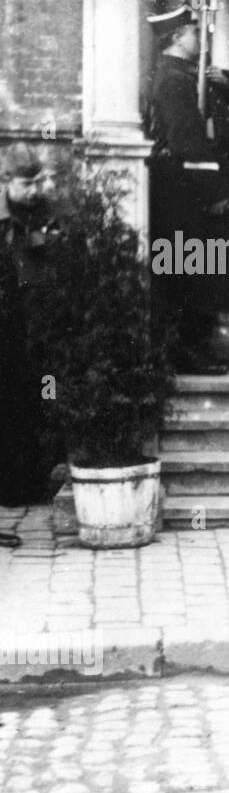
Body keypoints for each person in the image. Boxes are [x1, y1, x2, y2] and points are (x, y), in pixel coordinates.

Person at [145, 5, 229, 375]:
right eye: (193, 32)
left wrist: (223, 77)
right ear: (177, 37)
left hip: (204, 188)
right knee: (194, 273)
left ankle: (199, 346)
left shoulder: (190, 73)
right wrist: (212, 192)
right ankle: (188, 352)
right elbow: (187, 140)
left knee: (209, 270)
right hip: (192, 194)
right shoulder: (172, 79)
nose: (199, 38)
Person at [0, 144, 59, 535]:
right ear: (6, 182)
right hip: (7, 323)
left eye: (40, 181)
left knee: (42, 396)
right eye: (27, 183)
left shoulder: (46, 210)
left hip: (39, 322)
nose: (36, 190)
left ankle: (35, 480)